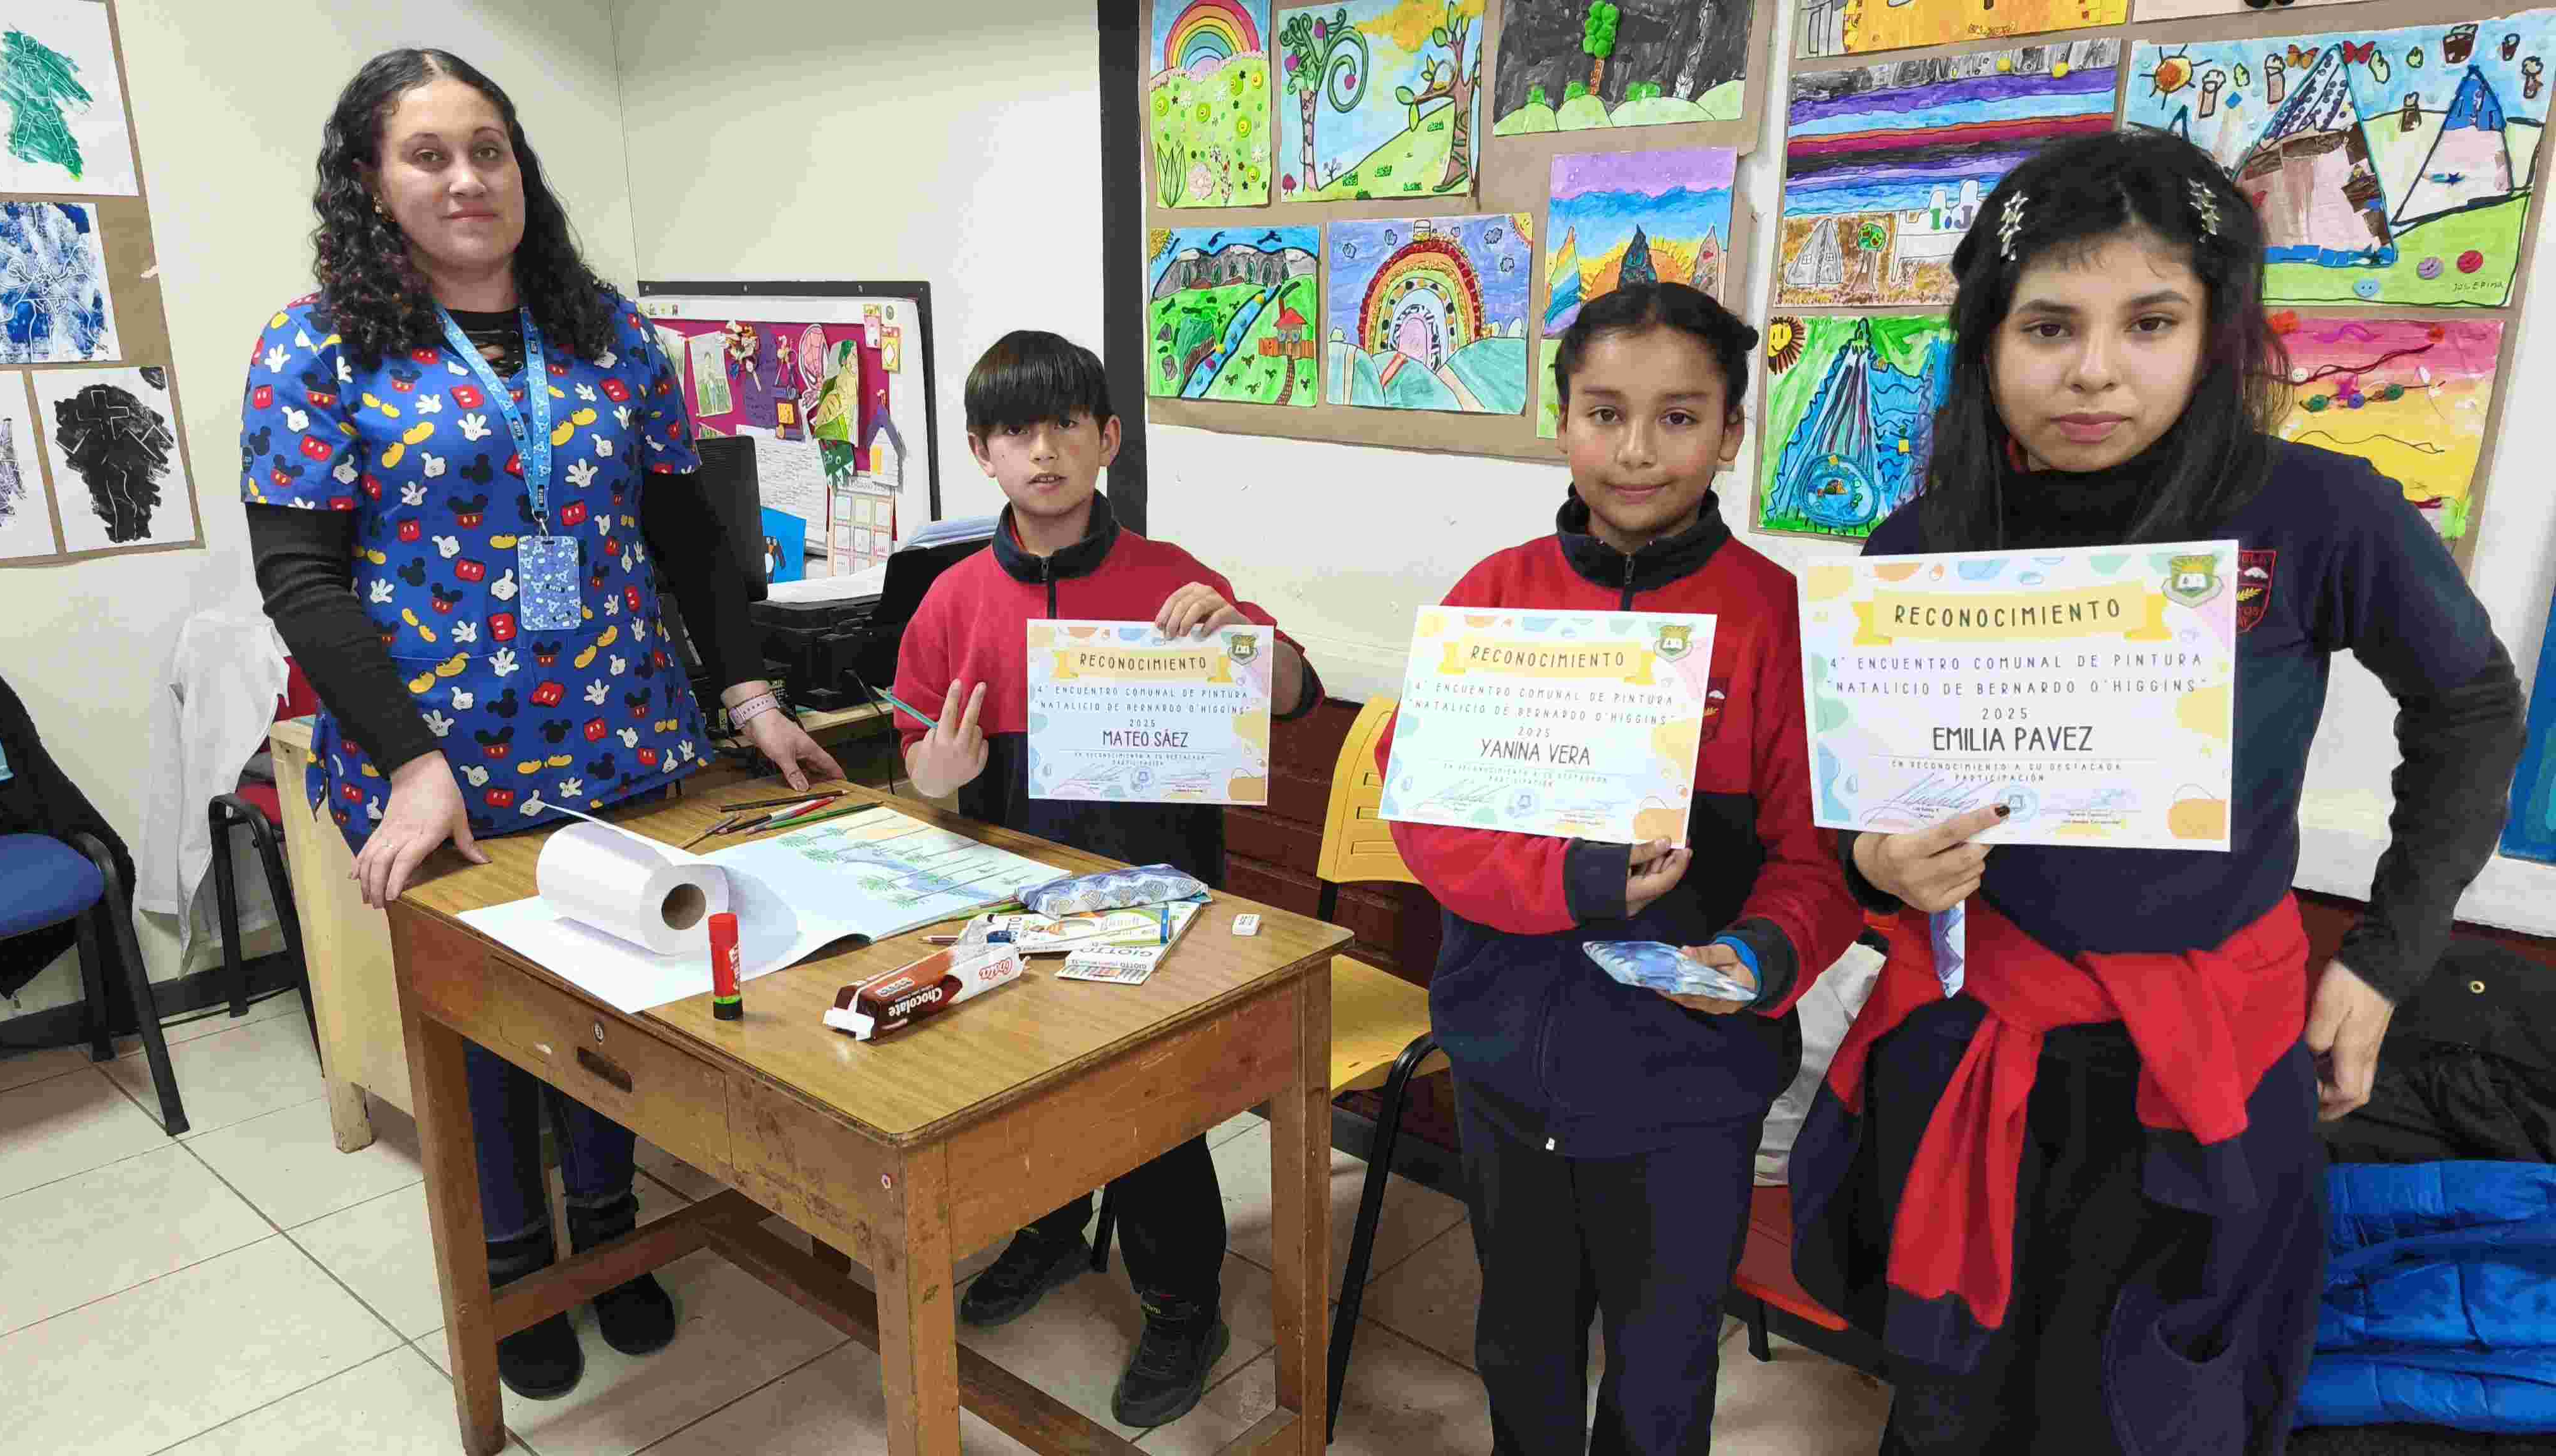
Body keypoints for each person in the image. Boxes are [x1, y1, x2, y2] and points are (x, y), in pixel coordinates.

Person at [1787, 128, 2526, 1456]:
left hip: (2207, 1054)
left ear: (2212, 332)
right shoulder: (1920, 544)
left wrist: (2383, 961)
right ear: (1987, 341)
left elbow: (2468, 704)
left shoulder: (2312, 512)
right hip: (1975, 1046)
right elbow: (1866, 806)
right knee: (1953, 1404)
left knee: (2163, 1405)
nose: (2093, 369)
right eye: (2047, 326)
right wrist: (1873, 866)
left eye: (2148, 322)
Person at [242, 49, 840, 1400]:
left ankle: (611, 1237)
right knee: (488, 1031)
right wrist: (408, 763)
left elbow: (687, 533)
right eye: (429, 155)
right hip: (441, 769)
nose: (468, 179)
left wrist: (748, 692)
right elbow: (301, 577)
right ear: (369, 182)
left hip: (619, 739)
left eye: (490, 149)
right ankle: (513, 1261)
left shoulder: (604, 331)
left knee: (614, 999)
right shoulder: (315, 345)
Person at [1377, 281, 1865, 1454]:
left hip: (1687, 1087)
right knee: (1522, 1340)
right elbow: (1426, 815)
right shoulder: (1495, 598)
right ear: (1563, 422)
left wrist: (1760, 953)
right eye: (1605, 413)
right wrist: (1575, 883)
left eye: (1679, 417)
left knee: (1662, 1364)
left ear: (1732, 434)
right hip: (1506, 1059)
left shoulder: (1778, 621)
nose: (1637, 450)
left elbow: (1822, 860)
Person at [888, 329, 1324, 1429]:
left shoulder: (1174, 580)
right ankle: (1050, 1228)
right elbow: (919, 764)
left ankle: (1184, 1308)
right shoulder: (950, 601)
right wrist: (937, 777)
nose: (1044, 452)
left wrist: (1246, 638)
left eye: (1066, 426)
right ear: (982, 452)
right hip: (1011, 899)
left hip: (1161, 903)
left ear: (1108, 439)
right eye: (1015, 432)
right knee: (1021, 1092)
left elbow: (1291, 695)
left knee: (1154, 1115)